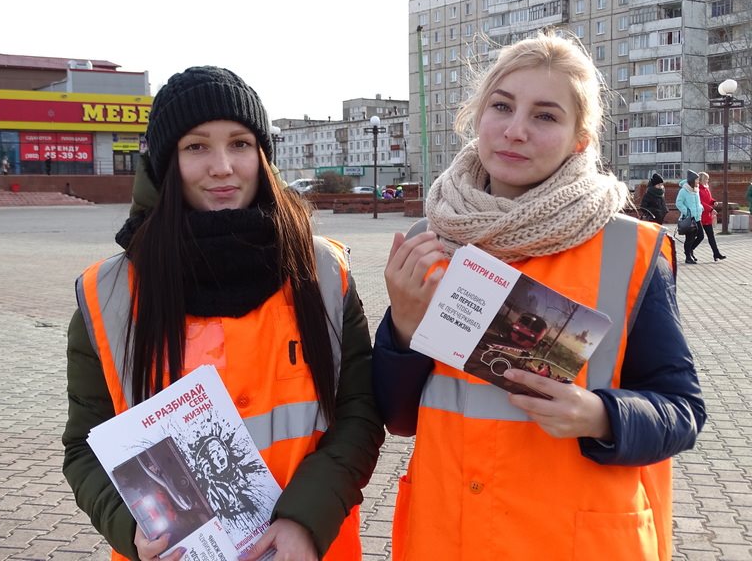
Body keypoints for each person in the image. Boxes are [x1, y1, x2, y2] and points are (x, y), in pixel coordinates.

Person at [372, 33, 705, 561]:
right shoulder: (428, 240)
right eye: (501, 106)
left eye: (545, 116)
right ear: (477, 116)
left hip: (574, 540)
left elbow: (683, 410)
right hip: (448, 536)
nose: (515, 130)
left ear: (580, 139)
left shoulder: (629, 248)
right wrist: (404, 329)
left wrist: (602, 416)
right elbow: (397, 416)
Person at [62, 66, 384, 561]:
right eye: (196, 147)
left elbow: (359, 414)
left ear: (262, 154)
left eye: (239, 143)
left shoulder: (321, 271)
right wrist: (131, 529)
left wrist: (305, 522)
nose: (222, 166)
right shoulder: (108, 294)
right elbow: (86, 446)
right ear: (167, 162)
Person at [676, 170, 704, 264]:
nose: (698, 182)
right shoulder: (683, 191)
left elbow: (698, 203)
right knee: (689, 238)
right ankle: (688, 257)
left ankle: (690, 250)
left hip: (697, 217)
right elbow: (678, 203)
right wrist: (687, 212)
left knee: (701, 236)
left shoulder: (696, 190)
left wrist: (701, 208)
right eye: (697, 180)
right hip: (689, 218)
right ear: (692, 180)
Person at [697, 172, 726, 261]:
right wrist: (710, 209)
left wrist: (713, 202)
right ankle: (689, 250)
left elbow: (708, 199)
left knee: (711, 236)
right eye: (706, 179)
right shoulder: (698, 190)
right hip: (700, 215)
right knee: (699, 236)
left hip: (707, 216)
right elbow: (700, 202)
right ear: (701, 180)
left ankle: (716, 253)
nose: (707, 181)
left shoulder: (706, 189)